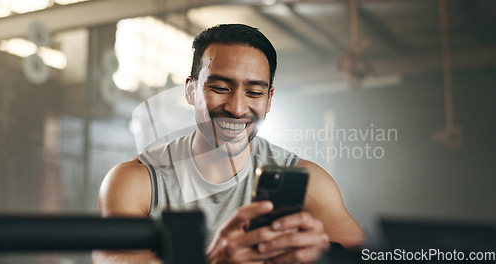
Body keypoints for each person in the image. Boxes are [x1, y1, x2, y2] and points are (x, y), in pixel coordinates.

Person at [92, 24, 365, 264]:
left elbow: (369, 254)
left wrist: (323, 256)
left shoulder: (308, 181)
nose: (236, 109)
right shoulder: (137, 180)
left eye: (254, 92)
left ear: (269, 99)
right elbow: (110, 258)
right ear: (190, 90)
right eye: (220, 88)